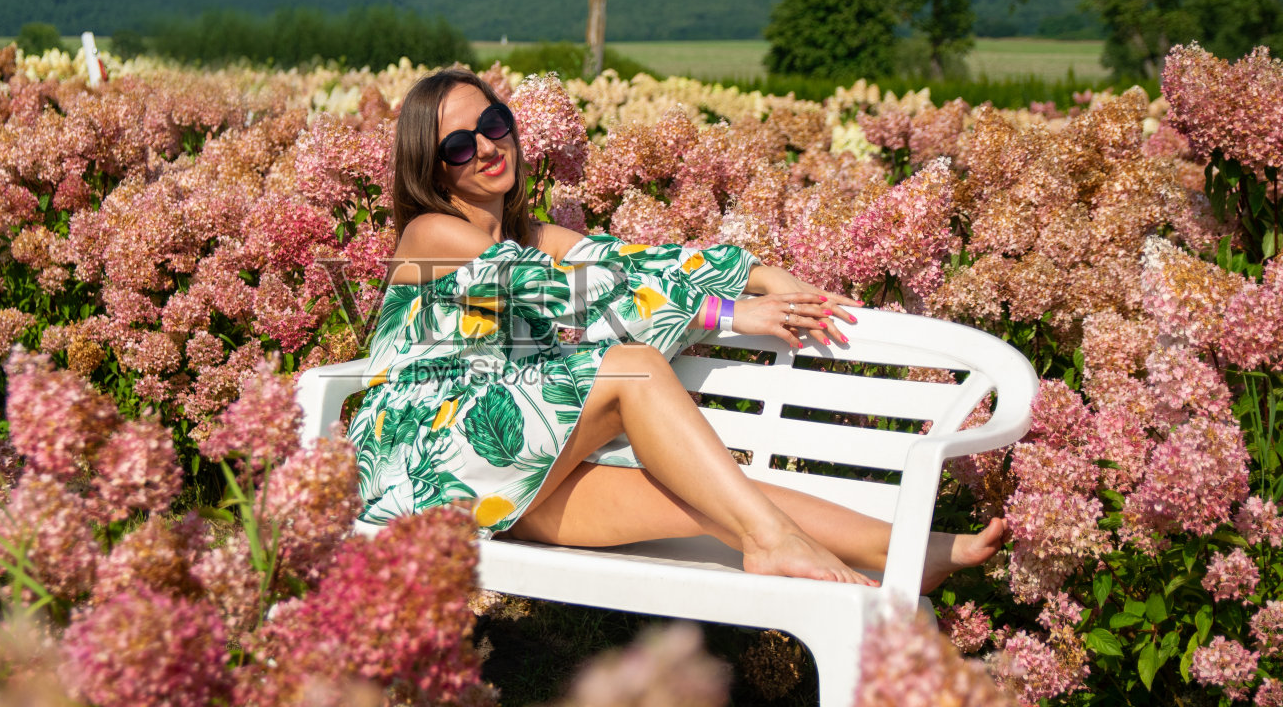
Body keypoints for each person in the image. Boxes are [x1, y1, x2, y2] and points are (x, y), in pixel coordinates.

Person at [344, 67, 1004, 588]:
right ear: (433, 169)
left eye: (494, 123)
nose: (486, 147)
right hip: (424, 462)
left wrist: (756, 273)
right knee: (635, 369)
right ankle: (774, 546)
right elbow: (566, 295)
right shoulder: (431, 234)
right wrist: (722, 312)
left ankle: (904, 549)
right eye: (460, 145)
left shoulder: (537, 234)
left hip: (510, 474)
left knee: (710, 499)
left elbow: (633, 263)